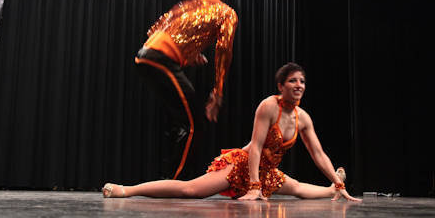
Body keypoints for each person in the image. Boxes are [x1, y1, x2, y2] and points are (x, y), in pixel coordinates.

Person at [103, 63, 361, 202]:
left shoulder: (303, 118)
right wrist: (254, 187)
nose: (299, 85)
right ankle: (127, 190)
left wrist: (338, 183)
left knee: (299, 189)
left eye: (302, 81)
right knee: (191, 191)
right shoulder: (269, 107)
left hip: (266, 172)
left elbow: (318, 153)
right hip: (243, 165)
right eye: (293, 80)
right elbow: (256, 147)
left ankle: (334, 188)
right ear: (281, 85)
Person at [135, 0, 238, 180]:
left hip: (144, 57)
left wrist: (190, 53)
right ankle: (175, 183)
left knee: (182, 121)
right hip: (162, 60)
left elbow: (154, 30)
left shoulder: (186, 4)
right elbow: (224, 50)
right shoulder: (226, 12)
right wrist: (218, 91)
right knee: (194, 124)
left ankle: (170, 175)